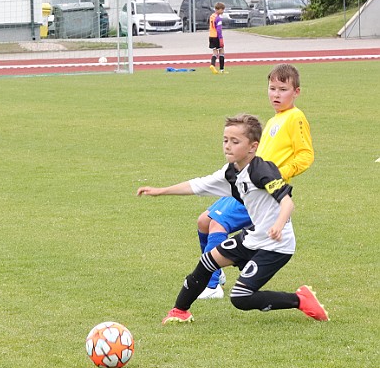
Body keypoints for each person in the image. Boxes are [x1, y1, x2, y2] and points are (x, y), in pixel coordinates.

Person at [137, 113, 328, 324]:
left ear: (253, 147)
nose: (227, 146)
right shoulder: (231, 172)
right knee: (207, 261)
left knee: (241, 297)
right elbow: (197, 185)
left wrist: (278, 225)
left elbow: (287, 202)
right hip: (254, 236)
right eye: (225, 140)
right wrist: (160, 191)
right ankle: (179, 312)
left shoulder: (262, 171)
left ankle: (300, 299)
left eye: (235, 142)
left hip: (276, 245)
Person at [196, 63, 313, 299]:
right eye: (272, 88)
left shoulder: (295, 117)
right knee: (204, 222)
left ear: (296, 92)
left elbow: (306, 155)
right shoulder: (274, 120)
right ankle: (216, 273)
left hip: (262, 190)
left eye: (283, 89)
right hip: (246, 184)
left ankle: (212, 285)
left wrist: (278, 173)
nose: (276, 94)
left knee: (218, 225)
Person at [208, 2, 226, 74]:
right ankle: (222, 70)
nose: (223, 11)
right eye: (222, 10)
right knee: (221, 51)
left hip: (211, 36)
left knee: (214, 52)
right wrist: (221, 38)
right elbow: (218, 29)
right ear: (218, 10)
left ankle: (212, 65)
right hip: (217, 36)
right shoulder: (218, 18)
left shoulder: (212, 16)